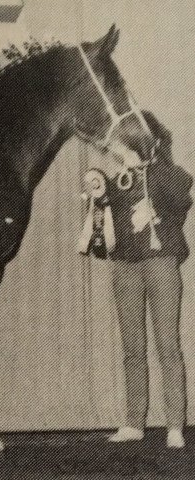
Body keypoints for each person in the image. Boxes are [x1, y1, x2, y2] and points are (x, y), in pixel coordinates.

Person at [106, 112, 192, 448]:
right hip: (125, 267)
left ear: (137, 143)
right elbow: (108, 228)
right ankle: (134, 423)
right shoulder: (116, 181)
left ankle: (174, 425)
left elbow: (181, 202)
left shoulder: (168, 174)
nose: (117, 156)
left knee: (168, 347)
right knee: (132, 350)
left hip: (161, 263)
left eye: (121, 149)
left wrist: (154, 208)